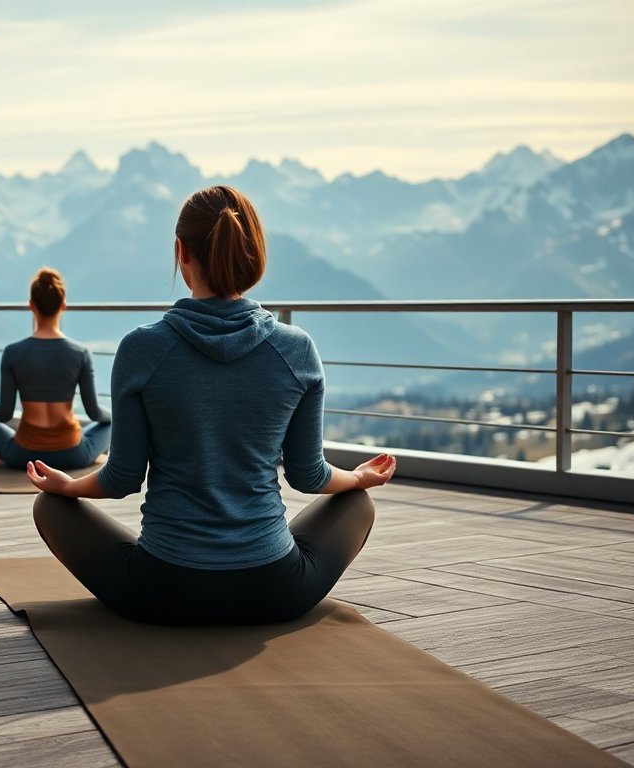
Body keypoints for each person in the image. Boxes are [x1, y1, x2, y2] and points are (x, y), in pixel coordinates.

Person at [26, 186, 396, 626]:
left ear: (181, 252)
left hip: (161, 592)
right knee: (358, 503)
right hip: (275, 592)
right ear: (254, 254)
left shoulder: (141, 349)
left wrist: (68, 487)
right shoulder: (297, 350)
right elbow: (308, 476)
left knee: (48, 506)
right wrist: (357, 477)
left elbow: (122, 478)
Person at [0, 268, 112, 469]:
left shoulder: (12, 352)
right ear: (63, 306)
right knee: (113, 423)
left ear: (31, 305)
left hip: (24, 455)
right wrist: (116, 416)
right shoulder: (81, 353)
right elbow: (94, 413)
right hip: (73, 455)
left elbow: (4, 413)